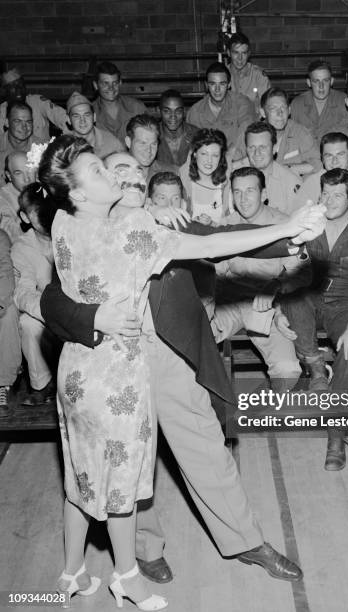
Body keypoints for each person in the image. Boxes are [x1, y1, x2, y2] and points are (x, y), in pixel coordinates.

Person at [39, 135, 322, 603]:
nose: (126, 175)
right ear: (91, 186)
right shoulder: (85, 223)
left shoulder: (149, 221)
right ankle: (140, 553)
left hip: (166, 353)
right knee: (129, 466)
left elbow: (217, 240)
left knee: (204, 446)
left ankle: (247, 541)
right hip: (111, 363)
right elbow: (53, 297)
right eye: (115, 169)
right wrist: (92, 318)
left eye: (134, 171)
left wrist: (290, 236)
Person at [279, 168, 348, 471]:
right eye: (326, 193)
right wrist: (280, 311)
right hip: (311, 300)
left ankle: (336, 435)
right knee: (294, 291)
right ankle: (316, 367)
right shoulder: (309, 223)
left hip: (346, 307)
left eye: (337, 195)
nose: (330, 200)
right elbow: (290, 268)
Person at [211, 166, 311, 392]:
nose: (243, 199)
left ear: (264, 194)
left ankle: (266, 403)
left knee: (287, 371)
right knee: (192, 340)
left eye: (250, 191)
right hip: (229, 301)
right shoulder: (225, 225)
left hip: (266, 304)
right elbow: (214, 270)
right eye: (237, 192)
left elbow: (302, 272)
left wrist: (275, 286)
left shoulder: (285, 225)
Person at [11, 184, 57, 406]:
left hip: (81, 311)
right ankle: (42, 384)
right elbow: (22, 292)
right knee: (27, 323)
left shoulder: (74, 234)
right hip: (48, 312)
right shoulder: (21, 247)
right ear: (25, 217)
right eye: (37, 210)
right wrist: (49, 311)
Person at [187, 62, 257, 152]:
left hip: (238, 161)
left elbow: (248, 139)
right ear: (206, 85)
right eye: (212, 84)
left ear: (229, 84)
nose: (217, 89)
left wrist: (229, 159)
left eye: (222, 84)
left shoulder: (242, 104)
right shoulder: (195, 113)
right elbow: (193, 148)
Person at [238, 121, 302, 215]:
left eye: (263, 147)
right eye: (252, 147)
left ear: (274, 148)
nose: (257, 153)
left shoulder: (290, 181)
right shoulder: (236, 179)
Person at [290, 59, 348, 150]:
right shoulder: (297, 104)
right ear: (309, 82)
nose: (321, 86)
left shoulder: (344, 102)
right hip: (305, 158)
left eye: (325, 80)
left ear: (332, 81)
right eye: (316, 81)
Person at [0, 67, 69, 141]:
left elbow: (61, 116)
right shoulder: (1, 112)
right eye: (12, 86)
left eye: (21, 84)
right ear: (5, 91)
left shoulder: (37, 102)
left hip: (42, 150)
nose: (18, 88)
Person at [179, 128, 231, 224]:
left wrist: (212, 224)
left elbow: (231, 222)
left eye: (215, 155)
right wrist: (191, 223)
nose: (209, 161)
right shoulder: (182, 182)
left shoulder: (227, 184)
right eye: (204, 154)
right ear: (194, 153)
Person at [92, 61, 147, 142]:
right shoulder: (89, 111)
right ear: (96, 85)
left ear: (120, 83)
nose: (111, 88)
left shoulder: (136, 107)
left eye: (115, 83)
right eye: (105, 83)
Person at [66, 91, 125, 159]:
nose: (82, 121)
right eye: (76, 116)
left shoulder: (112, 144)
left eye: (87, 115)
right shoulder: (64, 147)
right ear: (68, 120)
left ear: (94, 117)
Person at [0, 228, 22, 411]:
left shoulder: (1, 237)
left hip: (1, 298)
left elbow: (6, 274)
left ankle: (4, 384)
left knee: (9, 314)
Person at [0, 102, 45, 186]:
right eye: (17, 121)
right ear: (7, 122)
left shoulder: (44, 149)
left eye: (28, 122)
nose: (24, 127)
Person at [125, 114, 176, 184]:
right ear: (128, 142)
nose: (149, 150)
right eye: (143, 143)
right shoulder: (113, 173)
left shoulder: (171, 173)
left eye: (153, 144)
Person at [227, 32, 270, 106]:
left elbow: (267, 105)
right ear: (228, 53)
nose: (240, 58)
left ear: (249, 54)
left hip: (254, 117)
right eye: (236, 53)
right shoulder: (221, 75)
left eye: (244, 53)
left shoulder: (259, 75)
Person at [156, 90, 198, 167]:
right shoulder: (153, 134)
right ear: (159, 111)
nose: (173, 116)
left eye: (178, 111)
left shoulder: (197, 135)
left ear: (184, 111)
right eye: (167, 111)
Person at [0, 152, 31, 242]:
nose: (27, 179)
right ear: (9, 176)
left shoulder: (43, 188)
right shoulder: (2, 199)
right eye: (18, 173)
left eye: (29, 170)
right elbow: (11, 236)